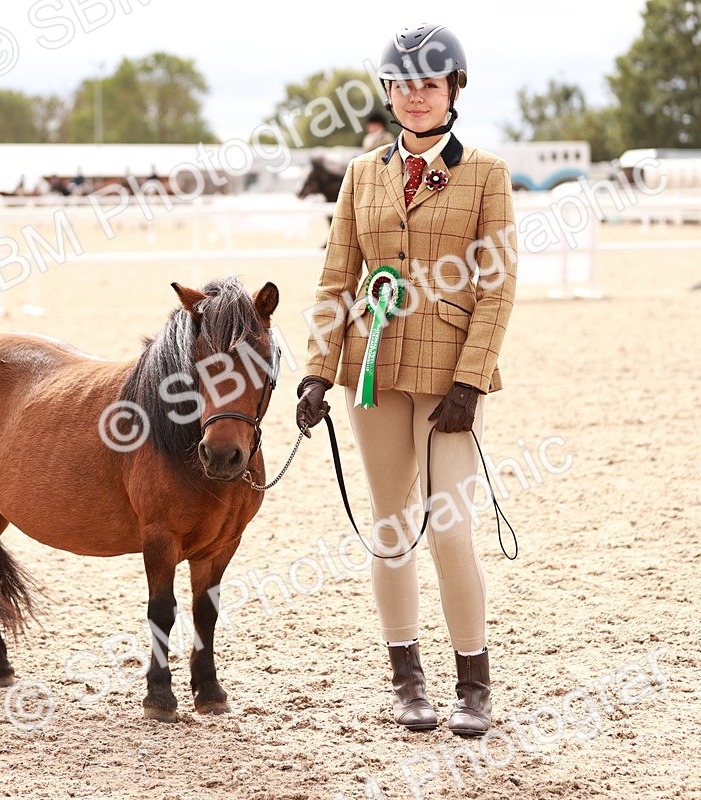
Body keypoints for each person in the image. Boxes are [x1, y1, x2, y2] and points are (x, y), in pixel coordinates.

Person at [296, 23, 517, 737]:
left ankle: (473, 684)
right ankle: (407, 679)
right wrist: (315, 369)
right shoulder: (363, 175)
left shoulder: (486, 174)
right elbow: (337, 280)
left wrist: (473, 380)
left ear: (453, 90)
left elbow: (498, 286)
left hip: (449, 376)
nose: (415, 97)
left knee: (449, 528)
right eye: (403, 84)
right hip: (376, 373)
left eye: (429, 83)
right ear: (389, 93)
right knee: (391, 528)